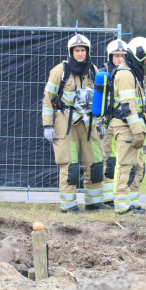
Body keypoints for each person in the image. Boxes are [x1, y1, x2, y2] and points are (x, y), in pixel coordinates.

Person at [42, 34, 110, 213]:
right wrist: (47, 125)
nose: (80, 54)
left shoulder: (94, 70)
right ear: (71, 52)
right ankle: (69, 205)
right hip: (66, 123)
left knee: (95, 163)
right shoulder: (60, 71)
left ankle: (94, 202)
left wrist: (101, 123)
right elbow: (47, 99)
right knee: (70, 166)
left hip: (89, 124)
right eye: (77, 51)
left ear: (88, 52)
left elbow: (100, 100)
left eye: (83, 51)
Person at [110, 36, 146, 214]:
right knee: (126, 166)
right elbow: (128, 107)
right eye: (145, 59)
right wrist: (137, 132)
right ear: (138, 55)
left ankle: (133, 203)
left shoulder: (132, 73)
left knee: (138, 167)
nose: (145, 63)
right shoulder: (126, 75)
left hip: (133, 127)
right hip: (125, 127)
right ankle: (122, 207)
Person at [100, 39, 129, 207]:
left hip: (121, 122)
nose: (119, 58)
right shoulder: (103, 73)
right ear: (111, 56)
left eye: (122, 55)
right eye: (116, 55)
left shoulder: (130, 74)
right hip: (105, 121)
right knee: (105, 158)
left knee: (121, 160)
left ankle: (117, 195)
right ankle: (105, 197)